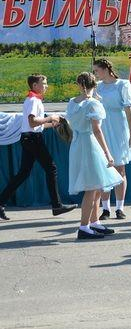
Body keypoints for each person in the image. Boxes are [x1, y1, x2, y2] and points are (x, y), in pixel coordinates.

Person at [0, 74, 78, 221]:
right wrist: (51, 118)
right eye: (44, 83)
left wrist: (53, 123)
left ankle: (1, 202)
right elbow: (33, 122)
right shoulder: (34, 100)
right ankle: (57, 205)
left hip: (29, 138)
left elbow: (35, 125)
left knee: (24, 173)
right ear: (35, 86)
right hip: (33, 139)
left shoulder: (32, 100)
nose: (46, 86)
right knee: (51, 168)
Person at [66, 72, 123, 239]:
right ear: (94, 85)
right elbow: (97, 130)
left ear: (79, 84)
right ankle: (84, 227)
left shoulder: (72, 103)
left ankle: (94, 222)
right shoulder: (93, 104)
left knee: (97, 185)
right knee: (92, 188)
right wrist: (107, 153)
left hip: (78, 144)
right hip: (90, 144)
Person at [93, 58, 131, 220]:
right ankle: (106, 209)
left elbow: (129, 110)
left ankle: (120, 208)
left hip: (119, 128)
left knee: (120, 168)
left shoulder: (123, 85)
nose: (95, 74)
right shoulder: (97, 87)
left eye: (97, 71)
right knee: (104, 168)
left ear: (106, 69)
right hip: (103, 128)